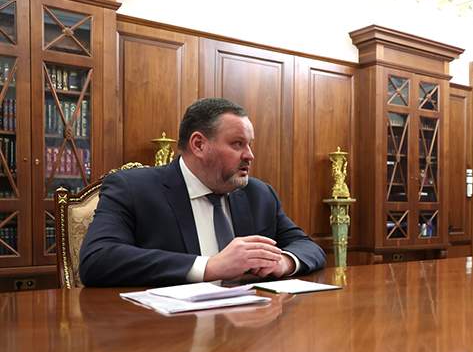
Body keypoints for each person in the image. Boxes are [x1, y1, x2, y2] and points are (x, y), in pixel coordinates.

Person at [80, 98, 326, 287]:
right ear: (198, 144)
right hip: (166, 331)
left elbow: (307, 246)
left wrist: (284, 261)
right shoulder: (133, 188)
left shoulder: (259, 195)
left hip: (248, 328)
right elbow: (98, 260)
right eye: (237, 144)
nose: (250, 155)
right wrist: (210, 267)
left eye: (250, 144)